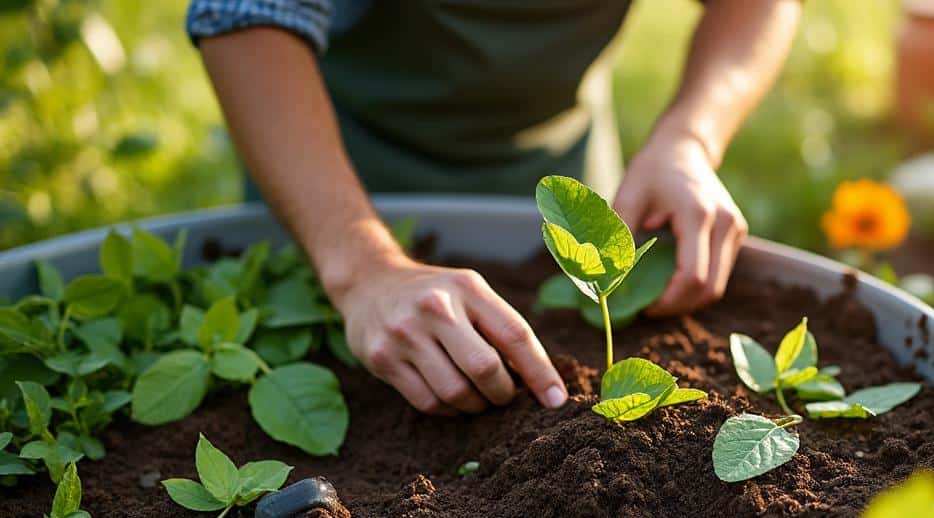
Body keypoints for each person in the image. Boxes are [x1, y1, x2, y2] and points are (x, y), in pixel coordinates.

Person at [187, 0, 801, 415]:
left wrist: (689, 139)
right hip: (334, 175)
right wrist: (361, 269)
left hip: (560, 168)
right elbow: (247, 16)